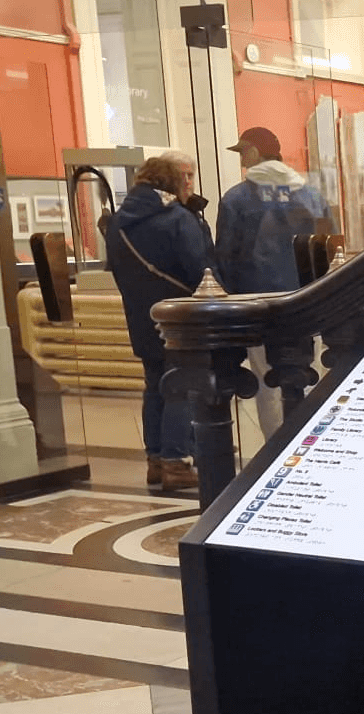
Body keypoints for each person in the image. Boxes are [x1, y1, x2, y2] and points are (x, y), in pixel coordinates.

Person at [104, 152, 214, 491]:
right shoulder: (177, 219)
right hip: (180, 315)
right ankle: (176, 461)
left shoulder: (119, 222)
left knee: (155, 386)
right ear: (173, 181)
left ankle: (155, 459)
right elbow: (201, 269)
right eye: (186, 178)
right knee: (181, 385)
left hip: (141, 316)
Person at [216, 126, 329, 434]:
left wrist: (234, 303)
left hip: (258, 304)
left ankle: (274, 451)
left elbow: (225, 257)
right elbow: (328, 250)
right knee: (307, 376)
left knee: (268, 384)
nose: (242, 162)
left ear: (254, 152)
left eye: (243, 153)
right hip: (307, 303)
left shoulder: (236, 199)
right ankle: (305, 447)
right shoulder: (312, 195)